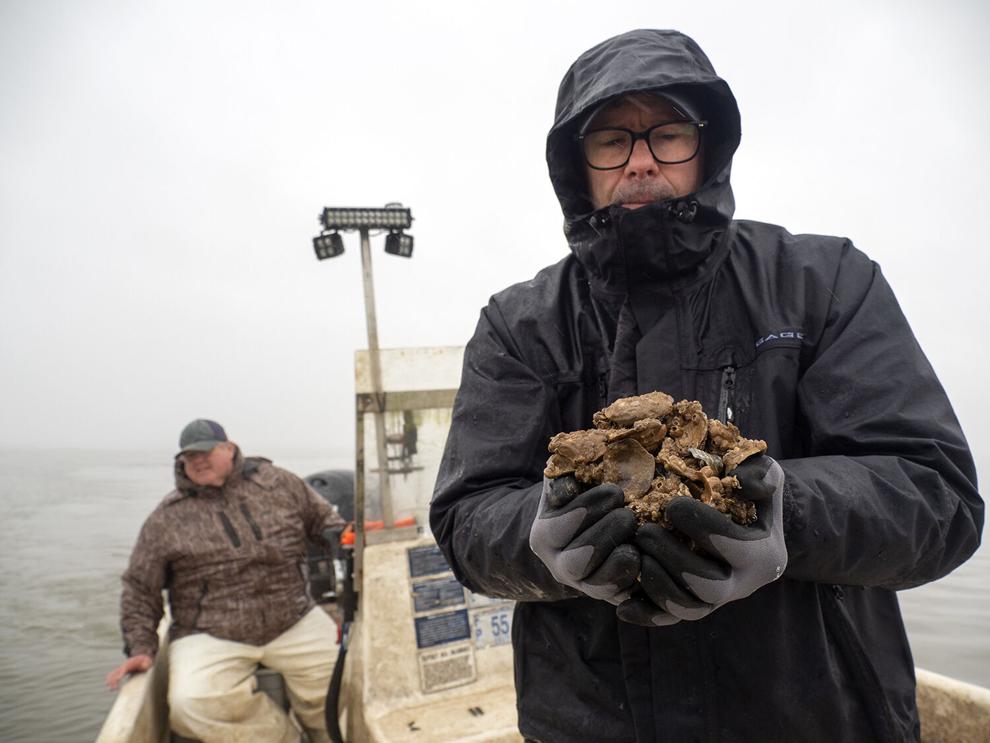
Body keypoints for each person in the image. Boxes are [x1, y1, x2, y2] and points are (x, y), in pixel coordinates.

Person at [430, 28, 984, 743]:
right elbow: (466, 518)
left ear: (707, 145)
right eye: (610, 140)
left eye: (666, 134)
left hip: (816, 720)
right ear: (578, 163)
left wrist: (784, 515)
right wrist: (546, 537)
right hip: (591, 722)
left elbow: (939, 497)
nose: (639, 161)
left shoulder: (827, 283)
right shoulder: (517, 325)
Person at [106, 419, 344, 743]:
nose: (198, 461)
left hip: (293, 617)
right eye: (190, 457)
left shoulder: (278, 483)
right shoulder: (166, 518)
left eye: (206, 451)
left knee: (345, 679)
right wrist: (141, 647)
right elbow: (138, 587)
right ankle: (283, 737)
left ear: (230, 449)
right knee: (190, 705)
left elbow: (326, 523)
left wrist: (346, 535)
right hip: (211, 633)